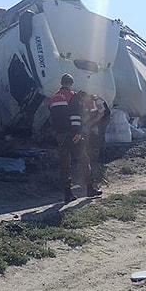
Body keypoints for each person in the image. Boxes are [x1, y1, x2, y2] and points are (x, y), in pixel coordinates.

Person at [48, 74, 102, 203]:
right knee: (83, 159)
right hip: (72, 133)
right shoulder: (72, 96)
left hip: (60, 134)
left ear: (61, 83)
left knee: (65, 164)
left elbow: (52, 115)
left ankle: (68, 194)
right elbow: (75, 115)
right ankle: (90, 188)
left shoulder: (53, 97)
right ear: (71, 84)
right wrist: (77, 132)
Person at [78, 91, 111, 185]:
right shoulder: (86, 103)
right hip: (96, 116)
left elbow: (101, 114)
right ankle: (92, 150)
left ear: (85, 96)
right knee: (90, 133)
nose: (82, 102)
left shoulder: (97, 100)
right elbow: (86, 116)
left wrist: (90, 123)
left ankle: (102, 156)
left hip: (104, 116)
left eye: (82, 99)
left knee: (101, 134)